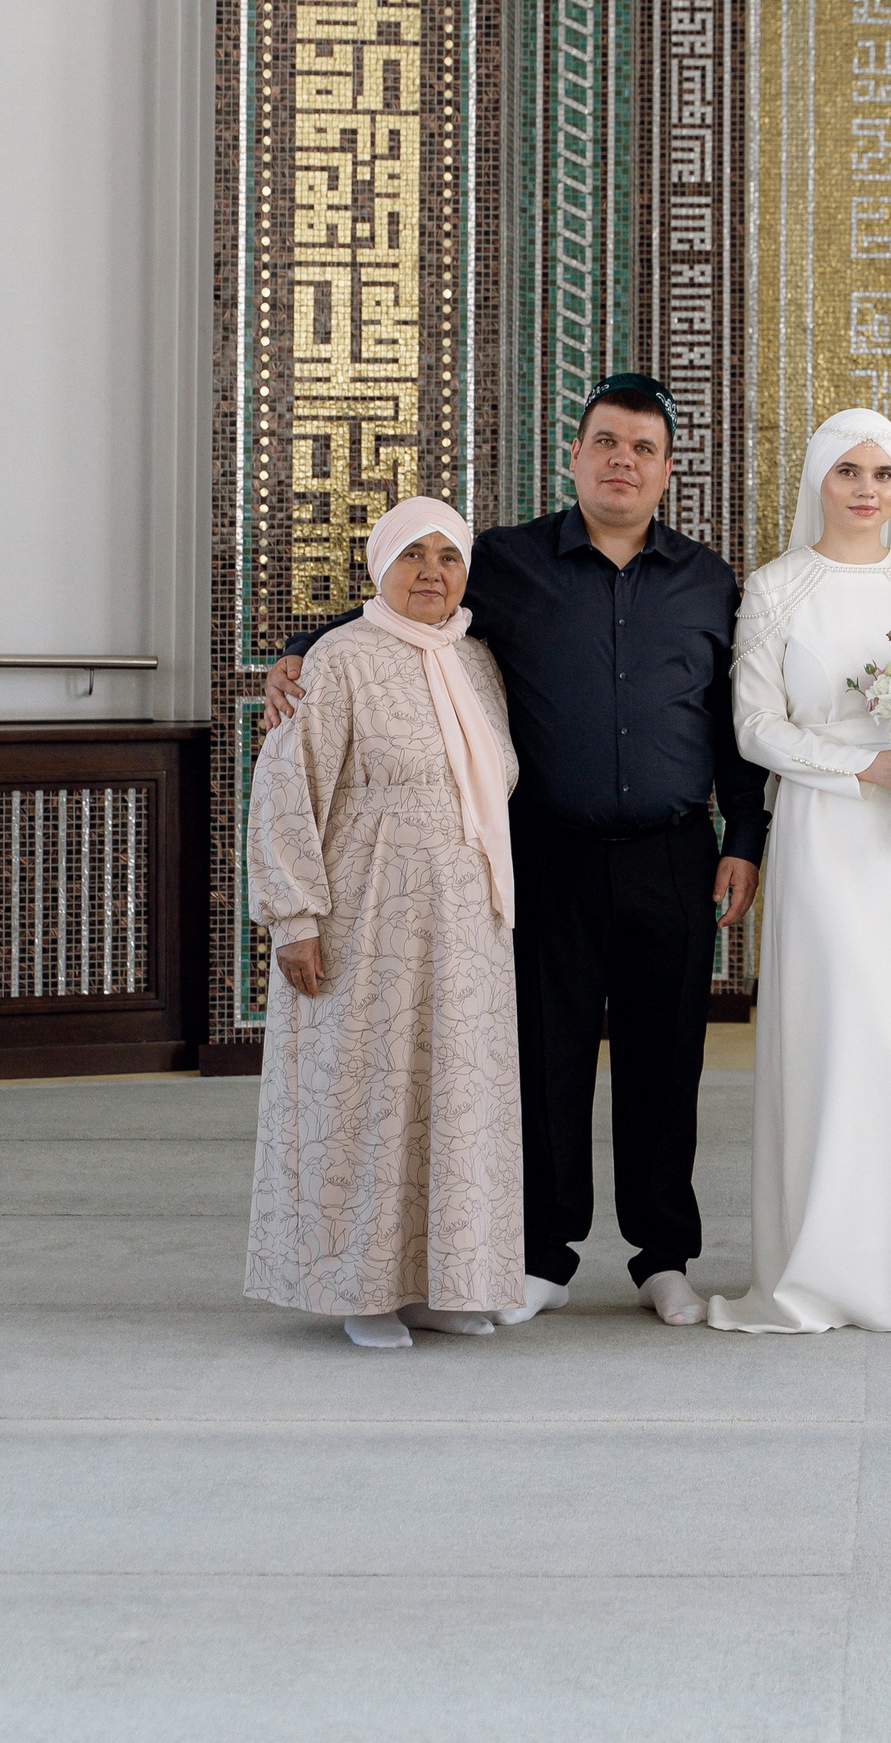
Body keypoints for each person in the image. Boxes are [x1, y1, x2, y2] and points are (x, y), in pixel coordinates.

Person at [262, 375, 766, 1330]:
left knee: (668, 1064)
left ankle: (664, 1257)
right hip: (546, 856)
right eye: (606, 443)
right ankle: (544, 1256)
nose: (623, 463)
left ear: (667, 470)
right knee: (544, 1059)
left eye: (644, 449)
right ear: (575, 456)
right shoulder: (505, 561)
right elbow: (406, 606)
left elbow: (730, 722)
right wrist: (299, 649)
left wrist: (744, 836)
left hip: (673, 856)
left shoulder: (707, 581)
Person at [708, 411, 891, 1333]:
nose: (867, 490)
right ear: (818, 480)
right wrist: (863, 766)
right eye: (848, 472)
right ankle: (818, 1270)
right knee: (836, 1037)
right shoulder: (776, 587)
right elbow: (755, 726)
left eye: (883, 474)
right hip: (824, 836)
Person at [245, 498, 522, 1346]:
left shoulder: (476, 660)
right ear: (379, 566)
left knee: (453, 1097)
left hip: (467, 924)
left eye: (448, 556)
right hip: (369, 917)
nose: (431, 572)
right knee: (369, 1092)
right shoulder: (338, 659)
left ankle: (442, 1282)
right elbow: (286, 785)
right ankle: (360, 1292)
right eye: (412, 555)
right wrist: (295, 917)